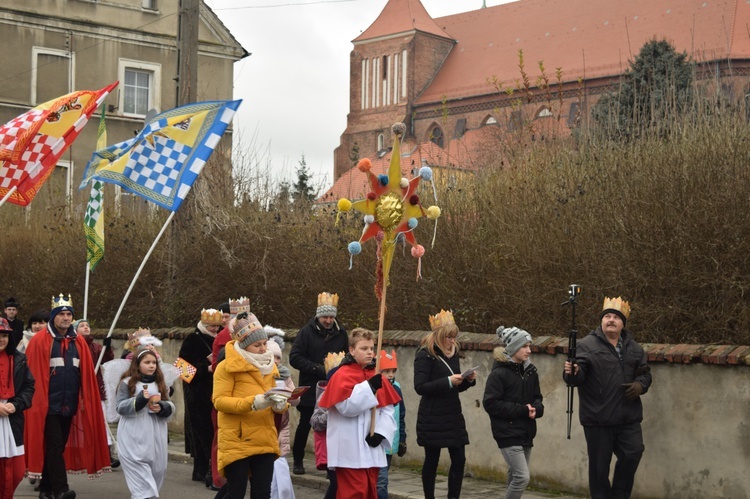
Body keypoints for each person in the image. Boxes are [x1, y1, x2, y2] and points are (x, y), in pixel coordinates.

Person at [563, 296, 652, 499]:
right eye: (607, 316)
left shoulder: (635, 349)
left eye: (615, 317)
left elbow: (645, 374)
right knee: (599, 470)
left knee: (633, 453)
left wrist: (640, 385)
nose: (611, 320)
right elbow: (575, 377)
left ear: (623, 323)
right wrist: (573, 371)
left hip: (628, 417)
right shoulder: (585, 345)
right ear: (602, 321)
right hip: (598, 418)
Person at [24, 294, 110, 499]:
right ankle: (62, 489)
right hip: (46, 405)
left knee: (58, 446)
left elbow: (85, 374)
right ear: (54, 316)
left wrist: (85, 400)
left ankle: (45, 489)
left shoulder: (77, 341)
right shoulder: (39, 341)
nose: (65, 318)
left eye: (68, 314)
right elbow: (33, 375)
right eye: (61, 314)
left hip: (68, 404)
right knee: (54, 445)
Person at [212, 313, 289, 499]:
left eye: (264, 343)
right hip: (237, 439)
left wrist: (280, 405)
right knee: (235, 493)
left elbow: (272, 396)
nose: (263, 349)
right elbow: (219, 401)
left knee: (263, 493)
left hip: (265, 439)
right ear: (244, 345)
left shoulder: (270, 366)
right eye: (257, 345)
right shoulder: (226, 367)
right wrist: (253, 403)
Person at [318, 328, 401, 499]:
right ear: (352, 350)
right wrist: (368, 388)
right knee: (354, 494)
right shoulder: (341, 375)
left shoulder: (377, 375)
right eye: (364, 348)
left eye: (371, 348)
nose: (370, 352)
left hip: (371, 449)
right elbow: (346, 408)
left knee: (371, 492)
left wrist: (380, 433)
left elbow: (388, 410)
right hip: (349, 451)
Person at [414, 309, 477, 499]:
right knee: (431, 459)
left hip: (452, 414)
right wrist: (449, 381)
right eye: (449, 337)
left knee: (459, 459)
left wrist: (467, 381)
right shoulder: (424, 354)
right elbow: (420, 386)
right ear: (439, 336)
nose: (452, 341)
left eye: (454, 337)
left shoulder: (454, 352)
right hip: (432, 414)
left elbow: (455, 387)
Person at [289, 292, 348, 475]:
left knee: (332, 424)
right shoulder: (306, 332)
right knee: (306, 423)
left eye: (331, 317)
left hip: (332, 386)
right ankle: (298, 459)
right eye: (325, 317)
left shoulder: (341, 332)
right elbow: (295, 358)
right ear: (318, 316)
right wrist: (317, 369)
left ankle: (329, 460)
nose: (328, 320)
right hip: (310, 387)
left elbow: (346, 356)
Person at [483, 326, 544, 499]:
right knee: (522, 477)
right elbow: (491, 404)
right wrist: (523, 410)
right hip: (507, 432)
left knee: (514, 474)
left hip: (526, 431)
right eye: (524, 346)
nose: (529, 350)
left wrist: (536, 410)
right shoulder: (499, 374)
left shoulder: (531, 372)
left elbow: (537, 398)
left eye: (529, 346)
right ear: (513, 347)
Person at [115, 348, 175, 499]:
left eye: (154, 362)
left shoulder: (161, 383)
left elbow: (170, 405)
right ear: (137, 364)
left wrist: (162, 407)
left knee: (158, 470)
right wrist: (138, 400)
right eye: (147, 362)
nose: (151, 365)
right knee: (140, 478)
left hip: (156, 431)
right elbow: (120, 407)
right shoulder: (127, 383)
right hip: (134, 432)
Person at [209, 297, 250, 491]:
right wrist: (202, 369)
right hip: (209, 390)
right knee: (217, 436)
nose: (215, 325)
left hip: (238, 392)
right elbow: (183, 366)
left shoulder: (249, 333)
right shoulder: (195, 338)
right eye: (222, 317)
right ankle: (214, 473)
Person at [179, 308, 221, 484]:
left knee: (210, 433)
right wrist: (207, 368)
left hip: (214, 391)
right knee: (201, 432)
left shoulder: (219, 338)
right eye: (211, 326)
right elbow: (181, 369)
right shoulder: (192, 340)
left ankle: (204, 469)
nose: (214, 329)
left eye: (216, 326)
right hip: (196, 393)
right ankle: (201, 470)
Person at [73, 318, 119, 469]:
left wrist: (108, 348)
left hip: (96, 389)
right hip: (78, 390)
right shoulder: (73, 346)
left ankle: (107, 454)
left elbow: (107, 359)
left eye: (88, 325)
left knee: (101, 422)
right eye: (82, 326)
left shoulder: (97, 347)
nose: (86, 327)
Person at [0, 317, 35, 499]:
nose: (1, 339)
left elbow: (29, 387)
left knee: (16, 470)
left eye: (4, 335)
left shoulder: (19, 358)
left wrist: (16, 404)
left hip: (13, 418)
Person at [266, 327, 299, 499]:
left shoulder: (285, 375)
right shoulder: (262, 375)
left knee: (281, 468)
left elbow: (294, 399)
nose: (276, 361)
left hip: (282, 424)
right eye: (273, 357)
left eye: (279, 357)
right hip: (267, 424)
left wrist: (293, 395)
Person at [310, 351, 346, 499]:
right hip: (331, 451)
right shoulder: (325, 395)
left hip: (346, 449)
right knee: (336, 484)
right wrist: (333, 413)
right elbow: (316, 422)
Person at [376, 350, 407, 499]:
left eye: (393, 371)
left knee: (383, 477)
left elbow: (401, 414)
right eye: (386, 371)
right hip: (377, 442)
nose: (390, 375)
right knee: (381, 481)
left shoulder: (397, 387)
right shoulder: (375, 387)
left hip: (390, 442)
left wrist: (402, 439)